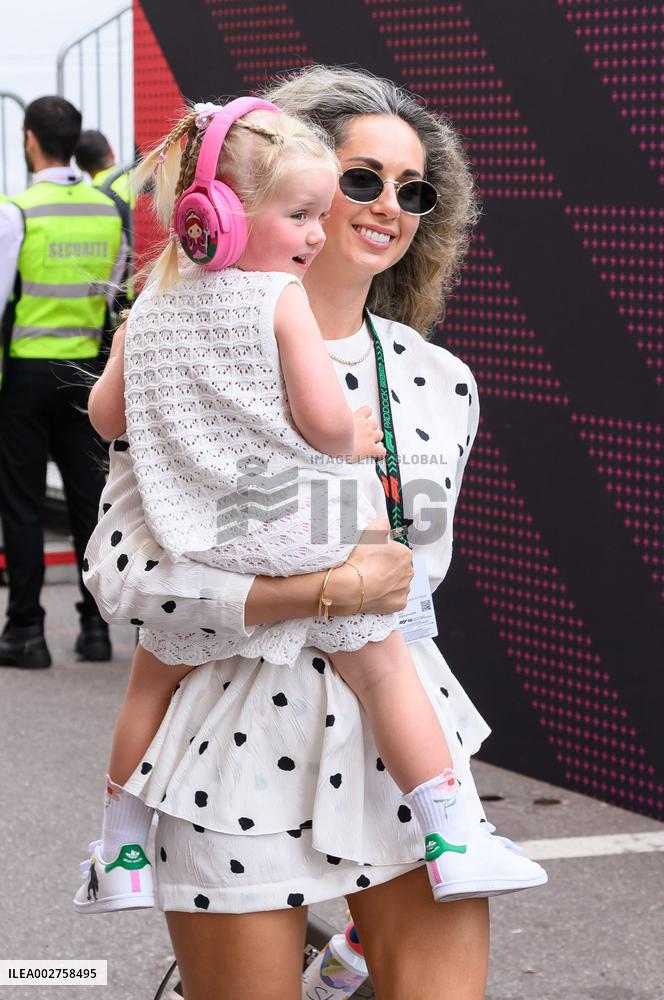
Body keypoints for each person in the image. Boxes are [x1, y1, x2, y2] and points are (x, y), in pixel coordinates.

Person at [78, 66, 542, 999]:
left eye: (414, 192)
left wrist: (330, 553)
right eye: (362, 178)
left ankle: (345, 961)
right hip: (231, 735)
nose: (388, 208)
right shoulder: (178, 340)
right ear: (282, 188)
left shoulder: (438, 379)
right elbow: (129, 572)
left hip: (404, 739)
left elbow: (418, 569)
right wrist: (316, 588)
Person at [0, 97, 126, 668]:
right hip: (83, 374)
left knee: (22, 503)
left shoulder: (17, 210)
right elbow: (113, 291)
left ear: (30, 139)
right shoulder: (106, 211)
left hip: (24, 374)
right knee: (88, 501)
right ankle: (95, 630)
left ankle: (25, 630)